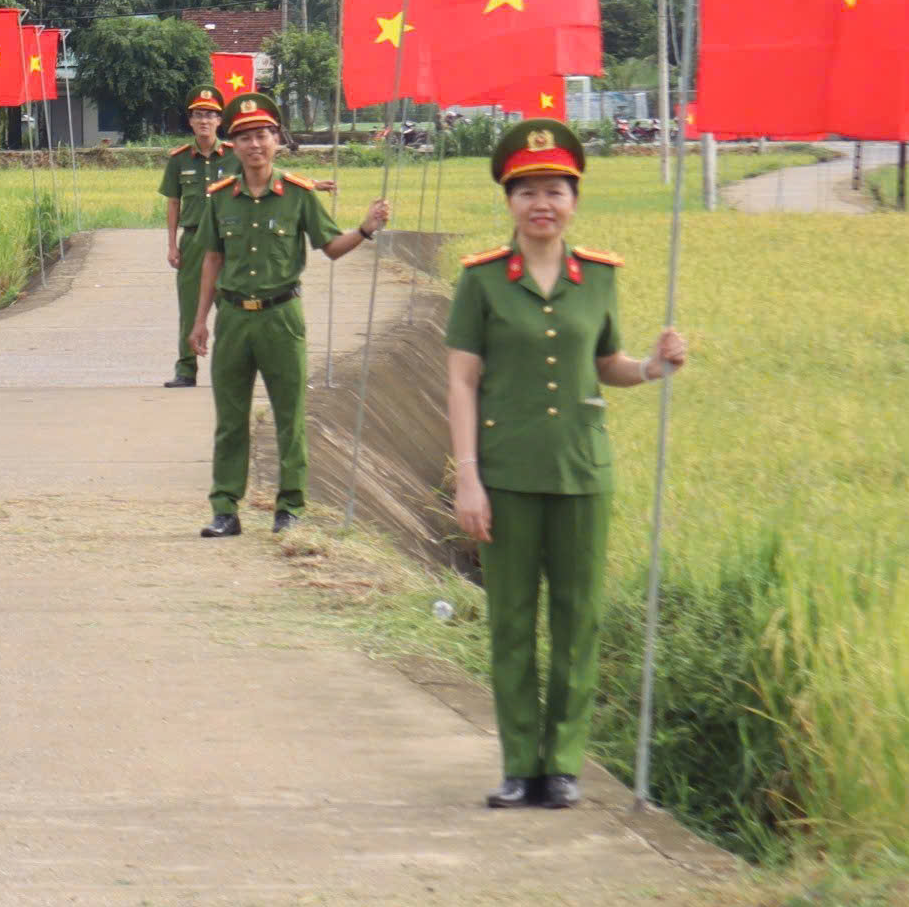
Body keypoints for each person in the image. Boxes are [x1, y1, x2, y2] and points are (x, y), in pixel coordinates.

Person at [444, 118, 688, 812]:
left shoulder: (599, 279)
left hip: (583, 471)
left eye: (555, 189)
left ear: (574, 199)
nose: (541, 203)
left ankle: (564, 764)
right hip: (507, 474)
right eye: (528, 191)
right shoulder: (483, 281)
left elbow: (606, 362)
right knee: (512, 622)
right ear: (509, 200)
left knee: (577, 619)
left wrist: (651, 365)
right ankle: (521, 764)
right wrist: (467, 474)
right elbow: (462, 379)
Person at [187, 94, 390, 537]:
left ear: (277, 140)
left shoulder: (298, 195)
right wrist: (200, 321)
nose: (254, 145)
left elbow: (331, 248)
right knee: (230, 418)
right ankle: (225, 508)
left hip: (282, 318)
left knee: (289, 416)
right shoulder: (220, 199)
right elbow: (211, 261)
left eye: (262, 135)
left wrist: (365, 229)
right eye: (244, 138)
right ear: (233, 145)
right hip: (235, 319)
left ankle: (290, 507)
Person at [156, 87, 237, 387]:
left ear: (220, 120)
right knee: (189, 308)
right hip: (193, 243)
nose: (204, 120)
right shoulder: (179, 160)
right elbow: (174, 202)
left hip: (228, 243)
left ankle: (230, 371)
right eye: (198, 115)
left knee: (230, 309)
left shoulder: (233, 157)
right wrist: (171, 245)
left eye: (210, 115)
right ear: (190, 121)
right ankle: (186, 370)